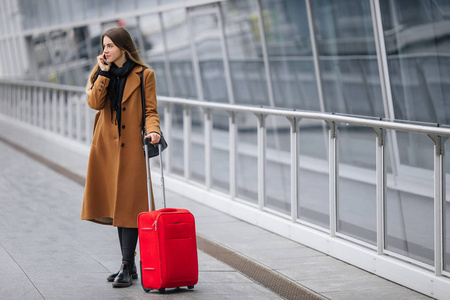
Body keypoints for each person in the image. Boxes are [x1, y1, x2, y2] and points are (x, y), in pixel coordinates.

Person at [81, 27, 161, 288]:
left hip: (130, 150)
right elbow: (94, 102)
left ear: (124, 48)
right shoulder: (100, 72)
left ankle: (127, 266)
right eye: (104, 45)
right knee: (118, 206)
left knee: (129, 206)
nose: (105, 50)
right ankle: (127, 264)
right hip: (105, 147)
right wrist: (103, 73)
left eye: (110, 46)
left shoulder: (144, 75)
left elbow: (150, 111)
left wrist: (153, 131)